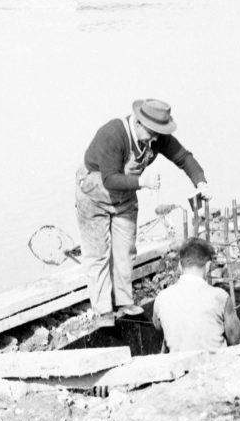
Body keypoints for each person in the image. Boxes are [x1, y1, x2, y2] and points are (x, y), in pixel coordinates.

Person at [75, 98, 210, 322]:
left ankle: (125, 301)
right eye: (152, 132)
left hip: (125, 195)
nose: (157, 138)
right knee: (98, 254)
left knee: (126, 249)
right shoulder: (112, 135)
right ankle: (102, 311)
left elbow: (184, 158)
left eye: (160, 133)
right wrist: (142, 181)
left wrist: (201, 182)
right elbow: (109, 179)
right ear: (138, 123)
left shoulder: (157, 137)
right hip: (94, 194)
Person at [152, 239, 240, 352]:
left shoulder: (161, 298)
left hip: (180, 367)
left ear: (180, 266)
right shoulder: (219, 297)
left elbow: (158, 326)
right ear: (208, 266)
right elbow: (238, 341)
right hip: (216, 366)